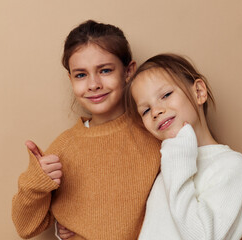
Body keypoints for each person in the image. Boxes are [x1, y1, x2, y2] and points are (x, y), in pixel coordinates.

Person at [11, 20, 161, 240]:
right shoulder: (64, 148)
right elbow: (25, 228)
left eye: (105, 70)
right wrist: (35, 184)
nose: (93, 84)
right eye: (81, 75)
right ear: (70, 79)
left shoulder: (155, 133)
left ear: (128, 72)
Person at [126, 53, 242, 240]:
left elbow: (201, 236)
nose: (156, 111)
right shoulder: (168, 164)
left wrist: (178, 156)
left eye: (166, 95)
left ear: (199, 92)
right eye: (145, 110)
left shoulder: (230, 165)